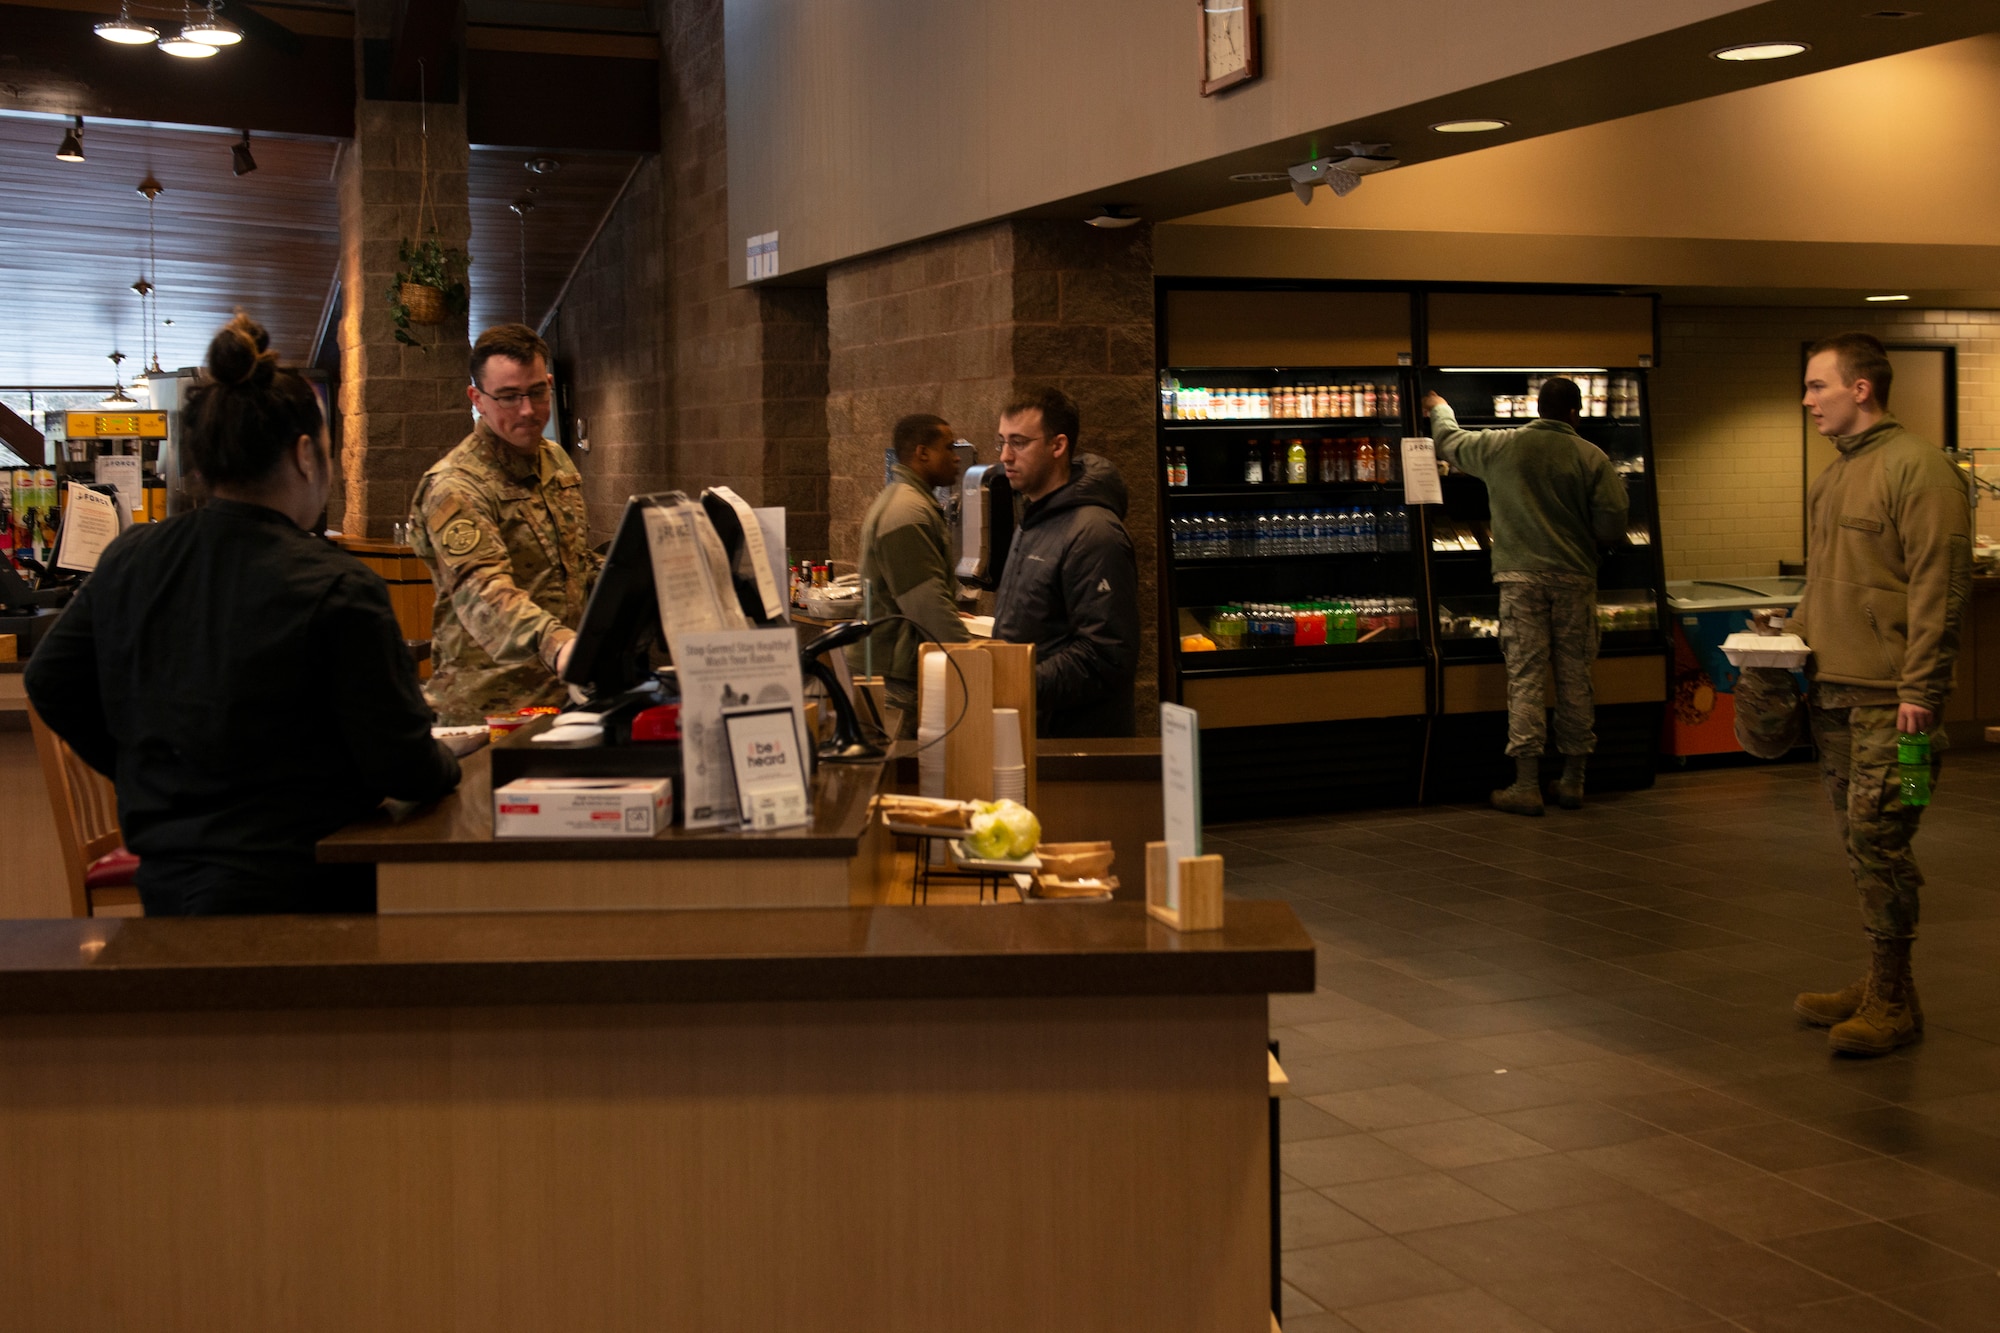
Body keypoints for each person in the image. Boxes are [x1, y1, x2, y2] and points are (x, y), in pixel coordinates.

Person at [25, 313, 463, 915]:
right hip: (308, 890)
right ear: (307, 455)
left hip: (168, 884)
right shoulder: (338, 586)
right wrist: (449, 760)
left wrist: (142, 769)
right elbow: (405, 767)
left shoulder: (131, 558)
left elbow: (49, 681)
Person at [1790, 332, 1971, 1057]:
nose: (1807, 402)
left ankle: (1891, 1000)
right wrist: (1786, 638)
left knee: (1881, 837)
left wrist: (1922, 688)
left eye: (1816, 387)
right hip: (1834, 690)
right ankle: (1881, 981)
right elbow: (1827, 580)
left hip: (1891, 699)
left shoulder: (1919, 471)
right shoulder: (1835, 475)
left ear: (1860, 388)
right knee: (1859, 842)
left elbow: (1940, 587)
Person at [1425, 377, 1629, 815]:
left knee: (1526, 678)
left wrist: (1440, 407)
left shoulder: (1504, 446)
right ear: (1575, 413)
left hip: (1519, 580)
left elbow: (1450, 443)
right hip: (1574, 579)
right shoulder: (1591, 457)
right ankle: (1573, 781)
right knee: (1576, 678)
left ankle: (1525, 785)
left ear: (1538, 409)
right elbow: (1613, 523)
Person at [412, 323, 602, 724]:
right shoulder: (456, 486)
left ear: (549, 383)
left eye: (535, 392)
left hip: (562, 696)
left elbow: (572, 565)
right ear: (477, 399)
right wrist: (559, 645)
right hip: (489, 709)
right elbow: (483, 591)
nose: (527, 410)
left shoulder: (557, 461)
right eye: (508, 397)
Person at [991, 386, 1140, 737]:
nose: (1005, 457)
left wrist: (1013, 683)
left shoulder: (1094, 533)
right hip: (1029, 730)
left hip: (1072, 747)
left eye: (1019, 443)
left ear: (1058, 446)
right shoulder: (1034, 517)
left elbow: (1106, 656)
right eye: (1002, 441)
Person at [854, 413, 970, 736]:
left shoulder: (908, 501)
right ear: (922, 453)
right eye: (948, 447)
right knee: (900, 775)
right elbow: (926, 609)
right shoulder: (906, 511)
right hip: (895, 679)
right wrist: (977, 664)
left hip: (897, 670)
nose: (956, 456)